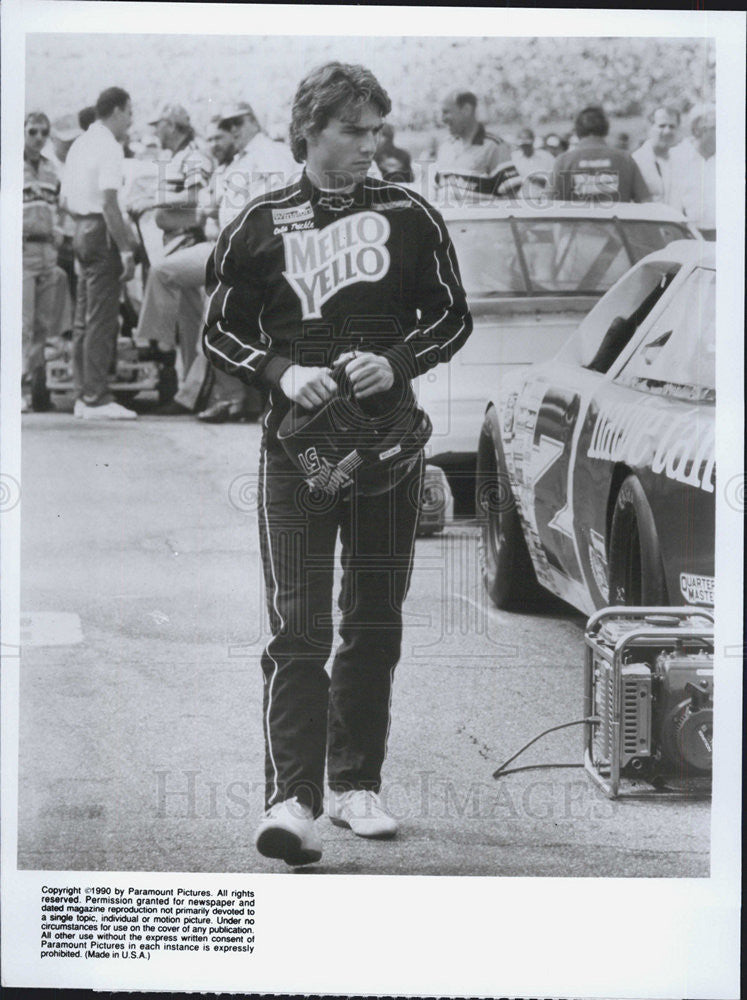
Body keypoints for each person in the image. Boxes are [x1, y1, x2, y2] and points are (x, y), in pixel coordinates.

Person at [203, 61, 473, 866]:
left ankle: (357, 783)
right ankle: (291, 800)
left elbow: (453, 317)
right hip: (296, 453)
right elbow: (219, 332)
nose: (368, 147)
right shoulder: (257, 221)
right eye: (353, 132)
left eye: (375, 132)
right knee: (298, 626)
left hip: (387, 449)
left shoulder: (410, 213)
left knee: (373, 619)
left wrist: (394, 361)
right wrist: (282, 371)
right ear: (309, 129)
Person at [63, 86, 140, 420]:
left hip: (80, 228)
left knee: (84, 317)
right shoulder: (109, 146)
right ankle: (96, 397)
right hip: (100, 230)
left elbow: (64, 200)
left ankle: (84, 393)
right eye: (130, 113)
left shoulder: (80, 143)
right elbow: (110, 203)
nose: (131, 122)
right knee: (102, 318)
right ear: (118, 110)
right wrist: (126, 250)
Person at [130, 103, 213, 393]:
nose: (156, 131)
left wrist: (154, 202)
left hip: (189, 238)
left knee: (185, 308)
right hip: (175, 240)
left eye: (159, 125)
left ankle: (156, 342)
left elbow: (195, 194)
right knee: (190, 321)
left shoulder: (194, 156)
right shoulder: (177, 157)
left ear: (173, 125)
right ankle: (191, 391)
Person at [22, 111, 67, 412]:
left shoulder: (52, 170)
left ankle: (34, 386)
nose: (38, 138)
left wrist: (59, 230)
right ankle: (17, 389)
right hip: (22, 253)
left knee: (42, 326)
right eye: (33, 131)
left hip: (47, 254)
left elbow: (58, 208)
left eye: (44, 133)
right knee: (21, 324)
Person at [550, 105, 650, 204]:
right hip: (617, 219)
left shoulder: (564, 161)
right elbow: (645, 202)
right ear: (606, 129)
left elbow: (549, 204)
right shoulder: (625, 159)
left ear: (577, 130)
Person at [433, 89, 520, 202]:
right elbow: (437, 192)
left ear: (466, 110)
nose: (442, 119)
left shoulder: (494, 146)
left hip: (481, 219)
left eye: (446, 112)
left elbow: (511, 200)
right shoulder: (445, 146)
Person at [668, 103, 716, 239]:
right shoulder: (676, 157)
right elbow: (673, 205)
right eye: (716, 128)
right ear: (697, 130)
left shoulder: (729, 159)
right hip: (687, 234)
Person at [632, 105, 681, 204]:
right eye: (662, 126)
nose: (667, 131)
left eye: (672, 126)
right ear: (649, 127)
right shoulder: (636, 161)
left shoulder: (682, 160)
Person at [511, 127, 555, 199]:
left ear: (533, 141)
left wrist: (540, 180)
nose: (525, 147)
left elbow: (554, 179)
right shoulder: (513, 158)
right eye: (523, 145)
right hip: (520, 199)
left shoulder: (546, 157)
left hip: (542, 199)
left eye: (528, 144)